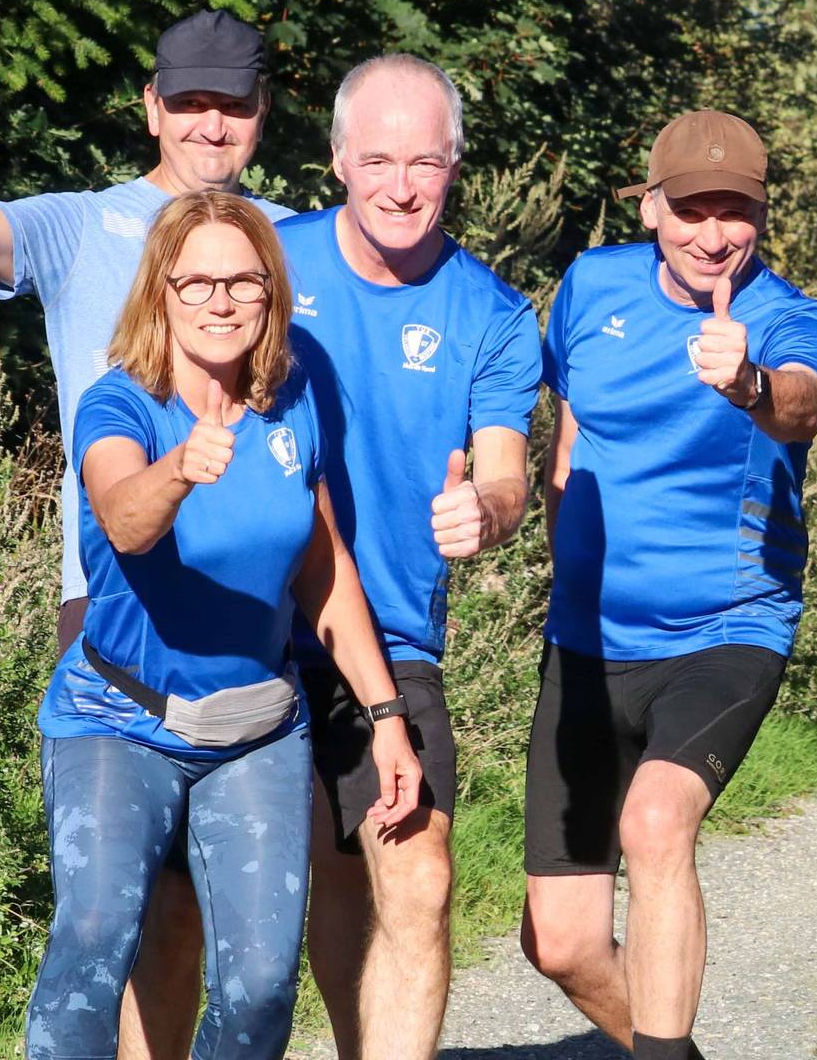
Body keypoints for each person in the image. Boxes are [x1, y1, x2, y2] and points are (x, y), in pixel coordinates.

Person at [0, 9, 294, 1058]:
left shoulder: (289, 242)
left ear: (263, 113)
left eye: (235, 104)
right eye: (192, 102)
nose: (213, 125)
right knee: (109, 918)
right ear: (152, 106)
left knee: (222, 937)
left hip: (258, 615)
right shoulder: (87, 225)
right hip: (112, 608)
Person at [27, 189, 419, 1060]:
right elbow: (124, 521)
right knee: (93, 939)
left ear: (271, 296)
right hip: (118, 720)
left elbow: (324, 571)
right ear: (159, 292)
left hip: (257, 731)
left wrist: (386, 717)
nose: (221, 301)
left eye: (244, 282)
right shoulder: (119, 404)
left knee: (260, 987)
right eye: (196, 282)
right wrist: (177, 472)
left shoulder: (292, 403)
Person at [516, 110, 817, 1060]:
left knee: (657, 821)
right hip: (585, 638)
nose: (712, 235)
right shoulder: (591, 287)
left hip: (725, 628)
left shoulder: (786, 315)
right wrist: (561, 548)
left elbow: (803, 406)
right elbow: (568, 437)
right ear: (651, 206)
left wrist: (746, 383)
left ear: (761, 213)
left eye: (733, 211)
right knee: (562, 942)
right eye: (691, 210)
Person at [273, 55, 542, 1060]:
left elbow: (510, 471)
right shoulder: (265, 259)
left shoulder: (495, 314)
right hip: (253, 624)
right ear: (338, 158)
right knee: (311, 880)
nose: (399, 184)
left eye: (423, 161)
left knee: (418, 872)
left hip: (389, 633)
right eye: (377, 158)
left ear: (455, 165)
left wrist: (489, 508)